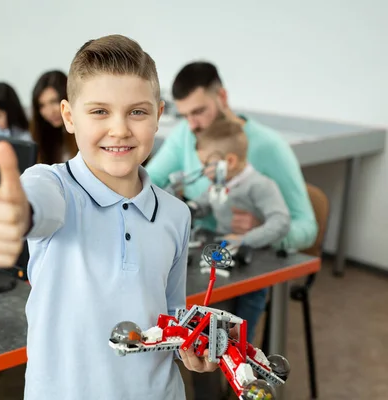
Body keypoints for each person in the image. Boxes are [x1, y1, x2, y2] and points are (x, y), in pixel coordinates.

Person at [0, 34, 218, 400]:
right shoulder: (52, 185)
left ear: (159, 116)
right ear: (69, 117)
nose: (119, 129)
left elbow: (172, 313)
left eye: (137, 111)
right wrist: (14, 214)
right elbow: (33, 204)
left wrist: (193, 347)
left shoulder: (176, 214)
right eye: (100, 111)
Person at [146, 61, 317, 399]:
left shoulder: (268, 148)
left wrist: (257, 231)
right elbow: (150, 183)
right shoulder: (186, 135)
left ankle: (229, 384)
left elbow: (305, 228)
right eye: (185, 116)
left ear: (222, 97)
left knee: (219, 340)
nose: (192, 126)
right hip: (206, 256)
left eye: (199, 112)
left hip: (246, 266)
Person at [188, 117, 291, 254]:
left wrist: (244, 240)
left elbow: (281, 222)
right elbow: (206, 201)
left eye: (207, 164)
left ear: (230, 161)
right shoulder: (220, 183)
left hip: (254, 252)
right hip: (224, 247)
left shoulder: (259, 185)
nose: (204, 170)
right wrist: (191, 208)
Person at [30, 70, 79, 164]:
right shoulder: (43, 134)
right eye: (42, 105)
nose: (49, 112)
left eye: (54, 101)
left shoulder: (82, 132)